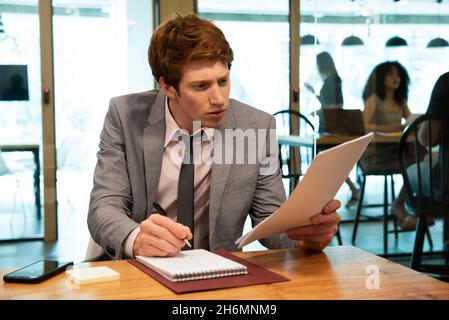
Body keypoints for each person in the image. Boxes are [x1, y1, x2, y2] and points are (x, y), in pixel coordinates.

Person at [87, 14, 341, 259]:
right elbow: (103, 207)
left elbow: (269, 221)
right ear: (167, 86)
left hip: (221, 273)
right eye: (201, 86)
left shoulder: (256, 127)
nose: (219, 99)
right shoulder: (125, 116)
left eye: (223, 81)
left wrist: (305, 236)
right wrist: (137, 238)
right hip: (144, 271)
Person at [360, 61, 420, 230]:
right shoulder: (374, 100)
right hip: (376, 155)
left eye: (398, 74)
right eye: (390, 74)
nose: (396, 78)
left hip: (395, 152)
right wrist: (388, 128)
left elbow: (411, 122)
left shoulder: (401, 101)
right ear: (381, 78)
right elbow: (363, 126)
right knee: (414, 165)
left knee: (418, 163)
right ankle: (406, 209)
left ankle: (401, 206)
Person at [391, 72, 449, 229]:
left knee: (412, 170)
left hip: (447, 187)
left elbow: (427, 139)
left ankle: (406, 209)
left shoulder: (446, 82)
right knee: (428, 160)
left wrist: (422, 120)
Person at [304, 51, 359, 208]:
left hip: (329, 127)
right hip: (329, 125)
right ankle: (351, 189)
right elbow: (332, 103)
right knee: (329, 162)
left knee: (326, 161)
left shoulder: (331, 81)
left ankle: (322, 198)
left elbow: (335, 106)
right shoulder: (333, 80)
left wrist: (320, 111)